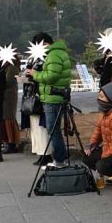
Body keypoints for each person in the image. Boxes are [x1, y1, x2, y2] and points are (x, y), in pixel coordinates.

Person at [30, 37, 72, 167]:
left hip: (52, 97)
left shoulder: (53, 55)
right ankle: (60, 158)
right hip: (54, 96)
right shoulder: (58, 52)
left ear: (44, 43)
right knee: (54, 129)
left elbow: (52, 76)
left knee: (53, 130)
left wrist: (35, 74)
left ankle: (59, 160)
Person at [84, 83, 112, 178]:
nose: (99, 99)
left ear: (111, 98)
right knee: (87, 156)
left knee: (101, 165)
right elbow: (97, 132)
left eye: (102, 96)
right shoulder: (105, 112)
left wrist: (103, 157)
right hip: (108, 149)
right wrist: (91, 145)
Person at [27, 33, 54, 166]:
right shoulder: (34, 58)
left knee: (42, 126)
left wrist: (34, 74)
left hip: (43, 95)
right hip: (33, 94)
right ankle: (40, 152)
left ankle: (47, 153)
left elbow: (46, 75)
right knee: (35, 126)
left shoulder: (48, 57)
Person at [2, 54, 22, 154]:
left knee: (9, 119)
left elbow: (8, 82)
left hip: (9, 96)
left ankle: (12, 143)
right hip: (7, 96)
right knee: (7, 119)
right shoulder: (8, 66)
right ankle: (9, 142)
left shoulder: (12, 67)